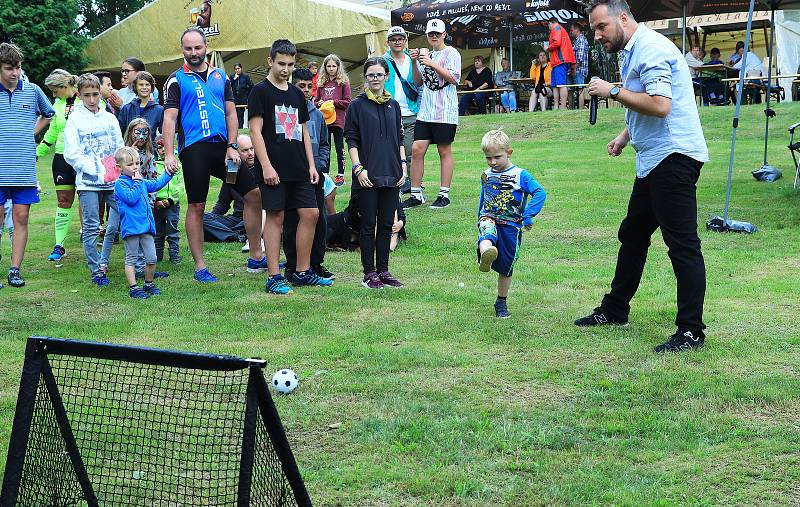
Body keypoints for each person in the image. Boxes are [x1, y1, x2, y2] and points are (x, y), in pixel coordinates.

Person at [583, 0, 709, 353]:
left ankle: (691, 331)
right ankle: (615, 309)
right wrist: (625, 137)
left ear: (623, 18)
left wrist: (611, 90)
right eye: (594, 29)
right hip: (655, 158)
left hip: (674, 156)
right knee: (634, 234)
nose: (597, 36)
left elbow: (660, 105)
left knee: (682, 245)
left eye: (601, 27)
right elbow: (643, 102)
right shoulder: (633, 49)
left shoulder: (651, 48)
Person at [162, 27, 265, 282]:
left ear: (206, 47)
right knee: (196, 205)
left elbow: (231, 113)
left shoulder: (221, 75)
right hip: (194, 149)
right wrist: (169, 154)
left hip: (223, 149)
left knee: (253, 195)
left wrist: (232, 145)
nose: (194, 53)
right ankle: (200, 266)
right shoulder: (176, 79)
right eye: (188, 48)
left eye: (198, 47)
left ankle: (256, 255)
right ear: (182, 50)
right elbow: (169, 118)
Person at [248, 39, 332, 294]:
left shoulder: (297, 94)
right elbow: (255, 130)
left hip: (300, 168)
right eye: (281, 63)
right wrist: (266, 166)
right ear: (270, 61)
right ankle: (274, 276)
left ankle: (302, 272)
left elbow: (305, 131)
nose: (286, 69)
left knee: (311, 214)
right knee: (276, 217)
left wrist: (312, 164)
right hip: (273, 168)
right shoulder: (260, 92)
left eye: (290, 65)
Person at [344, 57, 407, 289]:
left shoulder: (394, 105)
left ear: (386, 77)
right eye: (371, 75)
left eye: (379, 75)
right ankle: (368, 273)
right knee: (368, 224)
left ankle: (384, 270)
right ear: (365, 77)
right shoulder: (356, 106)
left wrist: (403, 164)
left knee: (386, 225)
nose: (375, 79)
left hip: (392, 172)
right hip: (367, 173)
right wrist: (358, 168)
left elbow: (399, 138)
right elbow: (351, 139)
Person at [0, 43, 54, 289]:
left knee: (21, 217)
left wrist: (29, 133)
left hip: (22, 167)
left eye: (18, 68)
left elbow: (48, 114)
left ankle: (15, 270)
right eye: (9, 68)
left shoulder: (32, 91)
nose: (15, 73)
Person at [476, 130, 546, 318]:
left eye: (497, 157)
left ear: (509, 152)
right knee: (487, 235)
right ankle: (485, 254)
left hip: (511, 225)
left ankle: (501, 302)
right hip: (488, 217)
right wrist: (479, 218)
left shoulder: (520, 175)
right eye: (488, 158)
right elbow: (483, 198)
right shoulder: (486, 174)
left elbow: (539, 192)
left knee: (506, 267)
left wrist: (528, 215)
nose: (492, 162)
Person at [63, 73, 124, 287]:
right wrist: (94, 169)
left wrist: (114, 169)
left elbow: (118, 146)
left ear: (101, 94)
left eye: (95, 95)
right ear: (79, 95)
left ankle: (111, 261)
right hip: (88, 182)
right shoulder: (75, 119)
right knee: (91, 226)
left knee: (120, 219)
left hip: (112, 179)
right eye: (86, 95)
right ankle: (95, 269)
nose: (91, 100)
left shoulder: (109, 118)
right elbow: (71, 153)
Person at [403, 18, 461, 210]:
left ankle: (444, 194)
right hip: (426, 111)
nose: (434, 36)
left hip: (445, 111)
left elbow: (454, 78)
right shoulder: (423, 55)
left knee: (444, 150)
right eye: (431, 34)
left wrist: (432, 63)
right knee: (417, 149)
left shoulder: (452, 53)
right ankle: (416, 193)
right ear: (427, 36)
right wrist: (414, 62)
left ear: (444, 34)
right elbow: (419, 82)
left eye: (437, 33)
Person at [284, 68, 334, 281]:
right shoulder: (286, 111)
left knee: (319, 220)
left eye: (309, 86)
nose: (305, 90)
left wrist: (320, 165)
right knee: (292, 222)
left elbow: (324, 144)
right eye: (301, 86)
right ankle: (293, 264)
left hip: (316, 175)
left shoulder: (317, 114)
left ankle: (315, 263)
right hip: (293, 176)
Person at [113, 147, 177, 299]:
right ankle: (134, 288)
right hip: (131, 228)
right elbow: (131, 198)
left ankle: (149, 283)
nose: (135, 167)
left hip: (146, 227)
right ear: (119, 167)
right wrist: (136, 182)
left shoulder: (140, 181)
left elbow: (155, 184)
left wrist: (169, 174)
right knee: (131, 259)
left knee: (152, 258)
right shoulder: (120, 184)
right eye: (130, 164)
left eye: (137, 163)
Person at [38, 69, 81, 263]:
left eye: (55, 91)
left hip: (82, 158)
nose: (53, 95)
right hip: (62, 157)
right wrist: (38, 152)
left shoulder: (86, 98)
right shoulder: (57, 104)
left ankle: (92, 239)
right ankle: (59, 245)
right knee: (63, 201)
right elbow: (53, 130)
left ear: (65, 86)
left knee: (89, 200)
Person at [383, 26, 421, 194]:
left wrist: (414, 61)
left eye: (400, 39)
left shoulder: (411, 59)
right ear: (388, 42)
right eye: (394, 39)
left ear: (405, 41)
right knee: (392, 150)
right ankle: (397, 181)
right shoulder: (382, 61)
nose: (397, 42)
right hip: (390, 111)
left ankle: (413, 183)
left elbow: (419, 83)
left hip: (411, 111)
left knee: (411, 150)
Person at [315, 54, 351, 187]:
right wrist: (320, 103)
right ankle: (325, 173)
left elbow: (347, 101)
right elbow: (316, 101)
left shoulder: (343, 82)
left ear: (338, 67)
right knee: (325, 147)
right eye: (328, 66)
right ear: (325, 67)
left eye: (333, 66)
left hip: (338, 120)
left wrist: (333, 102)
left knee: (339, 146)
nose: (331, 69)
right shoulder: (321, 82)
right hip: (324, 119)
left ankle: (341, 174)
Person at [153, 135, 183, 263]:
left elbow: (180, 186)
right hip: (157, 204)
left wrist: (171, 200)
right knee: (157, 232)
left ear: (173, 147)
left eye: (166, 146)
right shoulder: (153, 166)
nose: (163, 150)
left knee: (172, 231)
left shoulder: (177, 166)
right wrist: (155, 200)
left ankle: (174, 256)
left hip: (172, 204)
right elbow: (151, 184)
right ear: (156, 149)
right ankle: (157, 257)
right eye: (160, 147)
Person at [117, 71, 163, 143]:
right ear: (135, 86)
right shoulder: (127, 108)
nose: (144, 87)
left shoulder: (159, 110)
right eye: (141, 85)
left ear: (151, 87)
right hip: (130, 151)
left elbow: (163, 134)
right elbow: (119, 132)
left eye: (147, 85)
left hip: (150, 152)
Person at [548, 17, 576, 110]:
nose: (549, 27)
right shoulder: (560, 29)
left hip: (560, 61)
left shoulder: (557, 29)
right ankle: (556, 107)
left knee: (561, 84)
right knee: (555, 85)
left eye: (548, 25)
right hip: (557, 62)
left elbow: (557, 43)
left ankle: (563, 107)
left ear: (551, 23)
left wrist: (548, 48)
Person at [569, 22, 590, 110]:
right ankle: (572, 109)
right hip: (576, 69)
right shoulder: (577, 40)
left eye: (572, 30)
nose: (570, 32)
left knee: (580, 90)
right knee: (572, 89)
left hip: (579, 70)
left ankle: (580, 110)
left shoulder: (581, 39)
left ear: (577, 30)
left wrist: (574, 68)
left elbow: (580, 57)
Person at [230, 63, 253, 129]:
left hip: (243, 98)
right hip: (235, 98)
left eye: (238, 69)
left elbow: (251, 86)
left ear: (241, 68)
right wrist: (234, 79)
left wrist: (248, 95)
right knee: (236, 114)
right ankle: (236, 128)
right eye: (236, 69)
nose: (237, 70)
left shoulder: (245, 77)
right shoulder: (231, 77)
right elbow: (228, 86)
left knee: (241, 114)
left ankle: (240, 127)